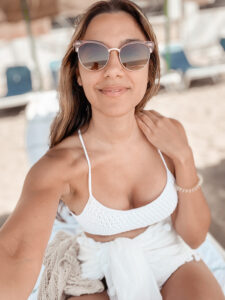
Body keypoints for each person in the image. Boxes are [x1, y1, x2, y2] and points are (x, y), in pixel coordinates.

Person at [0, 0, 224, 299]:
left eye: (132, 54)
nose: (114, 70)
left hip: (170, 256)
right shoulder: (60, 166)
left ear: (149, 68)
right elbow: (14, 254)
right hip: (96, 269)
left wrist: (183, 156)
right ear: (78, 73)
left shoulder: (169, 135)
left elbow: (194, 237)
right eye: (94, 55)